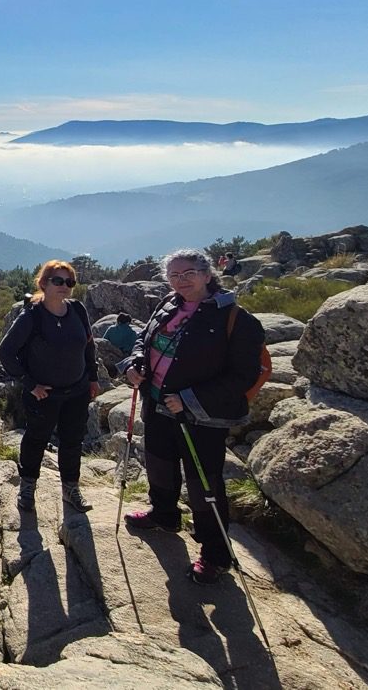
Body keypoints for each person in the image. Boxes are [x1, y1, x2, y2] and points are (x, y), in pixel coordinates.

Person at [123, 249, 264, 585]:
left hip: (201, 416)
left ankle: (215, 555)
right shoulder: (167, 305)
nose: (180, 281)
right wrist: (135, 364)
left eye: (188, 273)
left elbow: (244, 375)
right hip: (157, 403)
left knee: (204, 483)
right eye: (173, 275)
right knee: (158, 462)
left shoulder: (234, 318)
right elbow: (143, 339)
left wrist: (189, 398)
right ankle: (164, 515)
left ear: (207, 273)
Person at [0, 261, 101, 513]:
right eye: (58, 281)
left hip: (76, 391)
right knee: (36, 439)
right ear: (43, 283)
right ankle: (28, 487)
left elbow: (88, 345)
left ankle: (70, 489)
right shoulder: (32, 316)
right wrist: (30, 383)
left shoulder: (77, 309)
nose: (64, 286)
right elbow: (6, 353)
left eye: (69, 282)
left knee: (72, 441)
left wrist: (93, 377)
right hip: (44, 394)